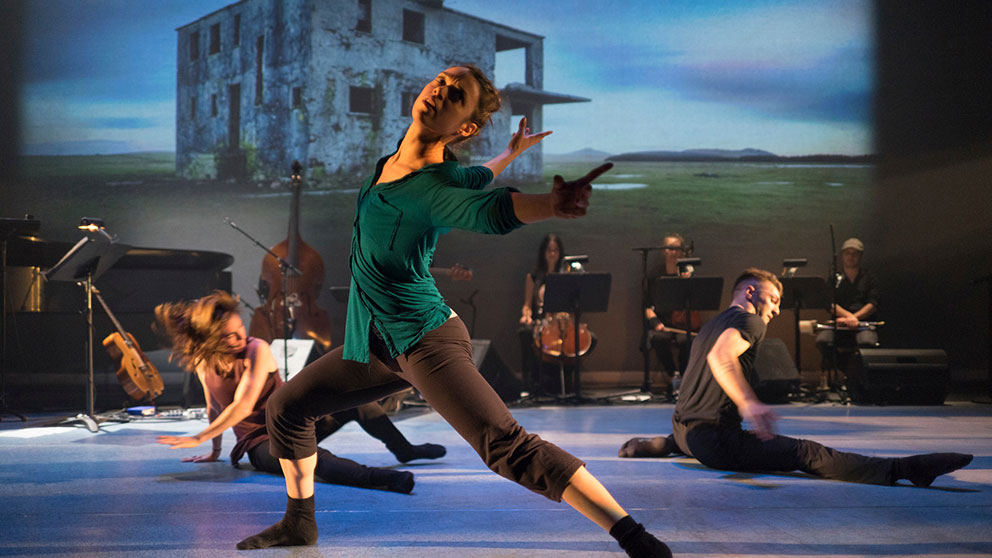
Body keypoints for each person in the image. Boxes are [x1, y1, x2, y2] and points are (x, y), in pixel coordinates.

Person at [235, 65, 670, 558]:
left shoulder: (431, 189)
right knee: (286, 409)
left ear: (465, 127)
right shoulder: (390, 163)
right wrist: (510, 153)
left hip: (426, 340)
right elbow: (476, 176)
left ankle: (636, 538)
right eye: (440, 81)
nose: (439, 91)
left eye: (455, 95)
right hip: (375, 343)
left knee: (506, 448)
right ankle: (300, 524)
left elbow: (484, 209)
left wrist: (550, 204)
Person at [618, 268, 972, 488]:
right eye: (773, 299)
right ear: (750, 293)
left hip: (686, 431)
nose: (776, 309)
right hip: (713, 442)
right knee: (806, 451)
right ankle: (903, 469)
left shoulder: (710, 324)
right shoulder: (749, 321)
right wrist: (750, 404)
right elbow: (721, 358)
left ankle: (662, 443)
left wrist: (675, 440)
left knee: (703, 437)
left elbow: (704, 374)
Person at [154, 291, 446, 494]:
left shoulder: (257, 348)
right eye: (229, 335)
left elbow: (242, 405)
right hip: (260, 444)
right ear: (210, 338)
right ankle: (379, 478)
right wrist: (214, 449)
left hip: (295, 423)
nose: (240, 337)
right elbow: (214, 408)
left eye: (240, 328)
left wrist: (197, 438)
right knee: (315, 460)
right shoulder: (204, 363)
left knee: (363, 405)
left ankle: (404, 450)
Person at [643, 234, 696, 396]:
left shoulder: (687, 272)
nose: (673, 252)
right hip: (662, 322)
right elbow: (647, 305)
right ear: (663, 251)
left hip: (683, 323)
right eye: (669, 248)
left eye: (677, 249)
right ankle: (673, 375)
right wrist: (655, 323)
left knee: (687, 340)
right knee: (659, 338)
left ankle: (684, 379)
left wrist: (688, 280)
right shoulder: (654, 275)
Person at [816, 237, 879, 372]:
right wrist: (848, 318)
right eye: (848, 253)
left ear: (860, 256)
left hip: (863, 324)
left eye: (854, 253)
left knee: (867, 342)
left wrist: (854, 319)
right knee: (822, 340)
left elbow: (873, 304)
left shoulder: (869, 277)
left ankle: (858, 374)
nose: (851, 257)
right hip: (840, 323)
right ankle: (845, 370)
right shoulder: (834, 278)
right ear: (842, 255)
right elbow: (830, 304)